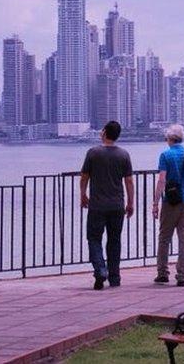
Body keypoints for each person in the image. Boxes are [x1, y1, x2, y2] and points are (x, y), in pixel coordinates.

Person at [79, 121, 134, 290]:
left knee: (94, 238)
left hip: (97, 205)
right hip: (117, 205)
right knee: (114, 241)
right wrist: (131, 202)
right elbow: (129, 181)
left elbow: (84, 176)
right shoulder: (124, 155)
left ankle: (100, 270)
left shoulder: (93, 153)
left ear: (103, 133)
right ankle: (115, 277)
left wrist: (83, 195)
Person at [153, 124, 184, 287]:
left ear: (171, 139)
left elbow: (161, 180)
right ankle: (182, 276)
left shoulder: (165, 155)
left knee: (164, 238)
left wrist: (155, 202)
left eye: (166, 138)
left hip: (171, 202)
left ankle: (163, 273)